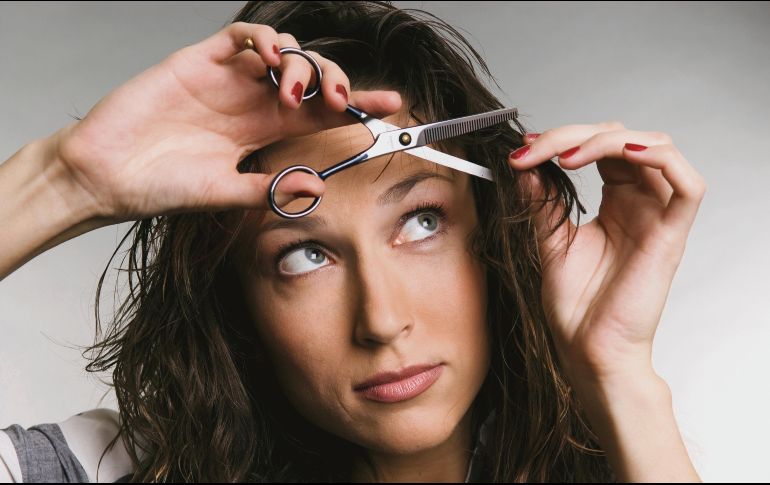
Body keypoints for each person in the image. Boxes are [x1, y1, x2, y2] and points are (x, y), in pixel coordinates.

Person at [0, 1, 706, 482]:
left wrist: (619, 375)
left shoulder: (636, 459)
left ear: (495, 236)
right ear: (239, 299)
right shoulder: (110, 468)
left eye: (422, 221)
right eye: (304, 253)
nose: (381, 319)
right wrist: (62, 181)